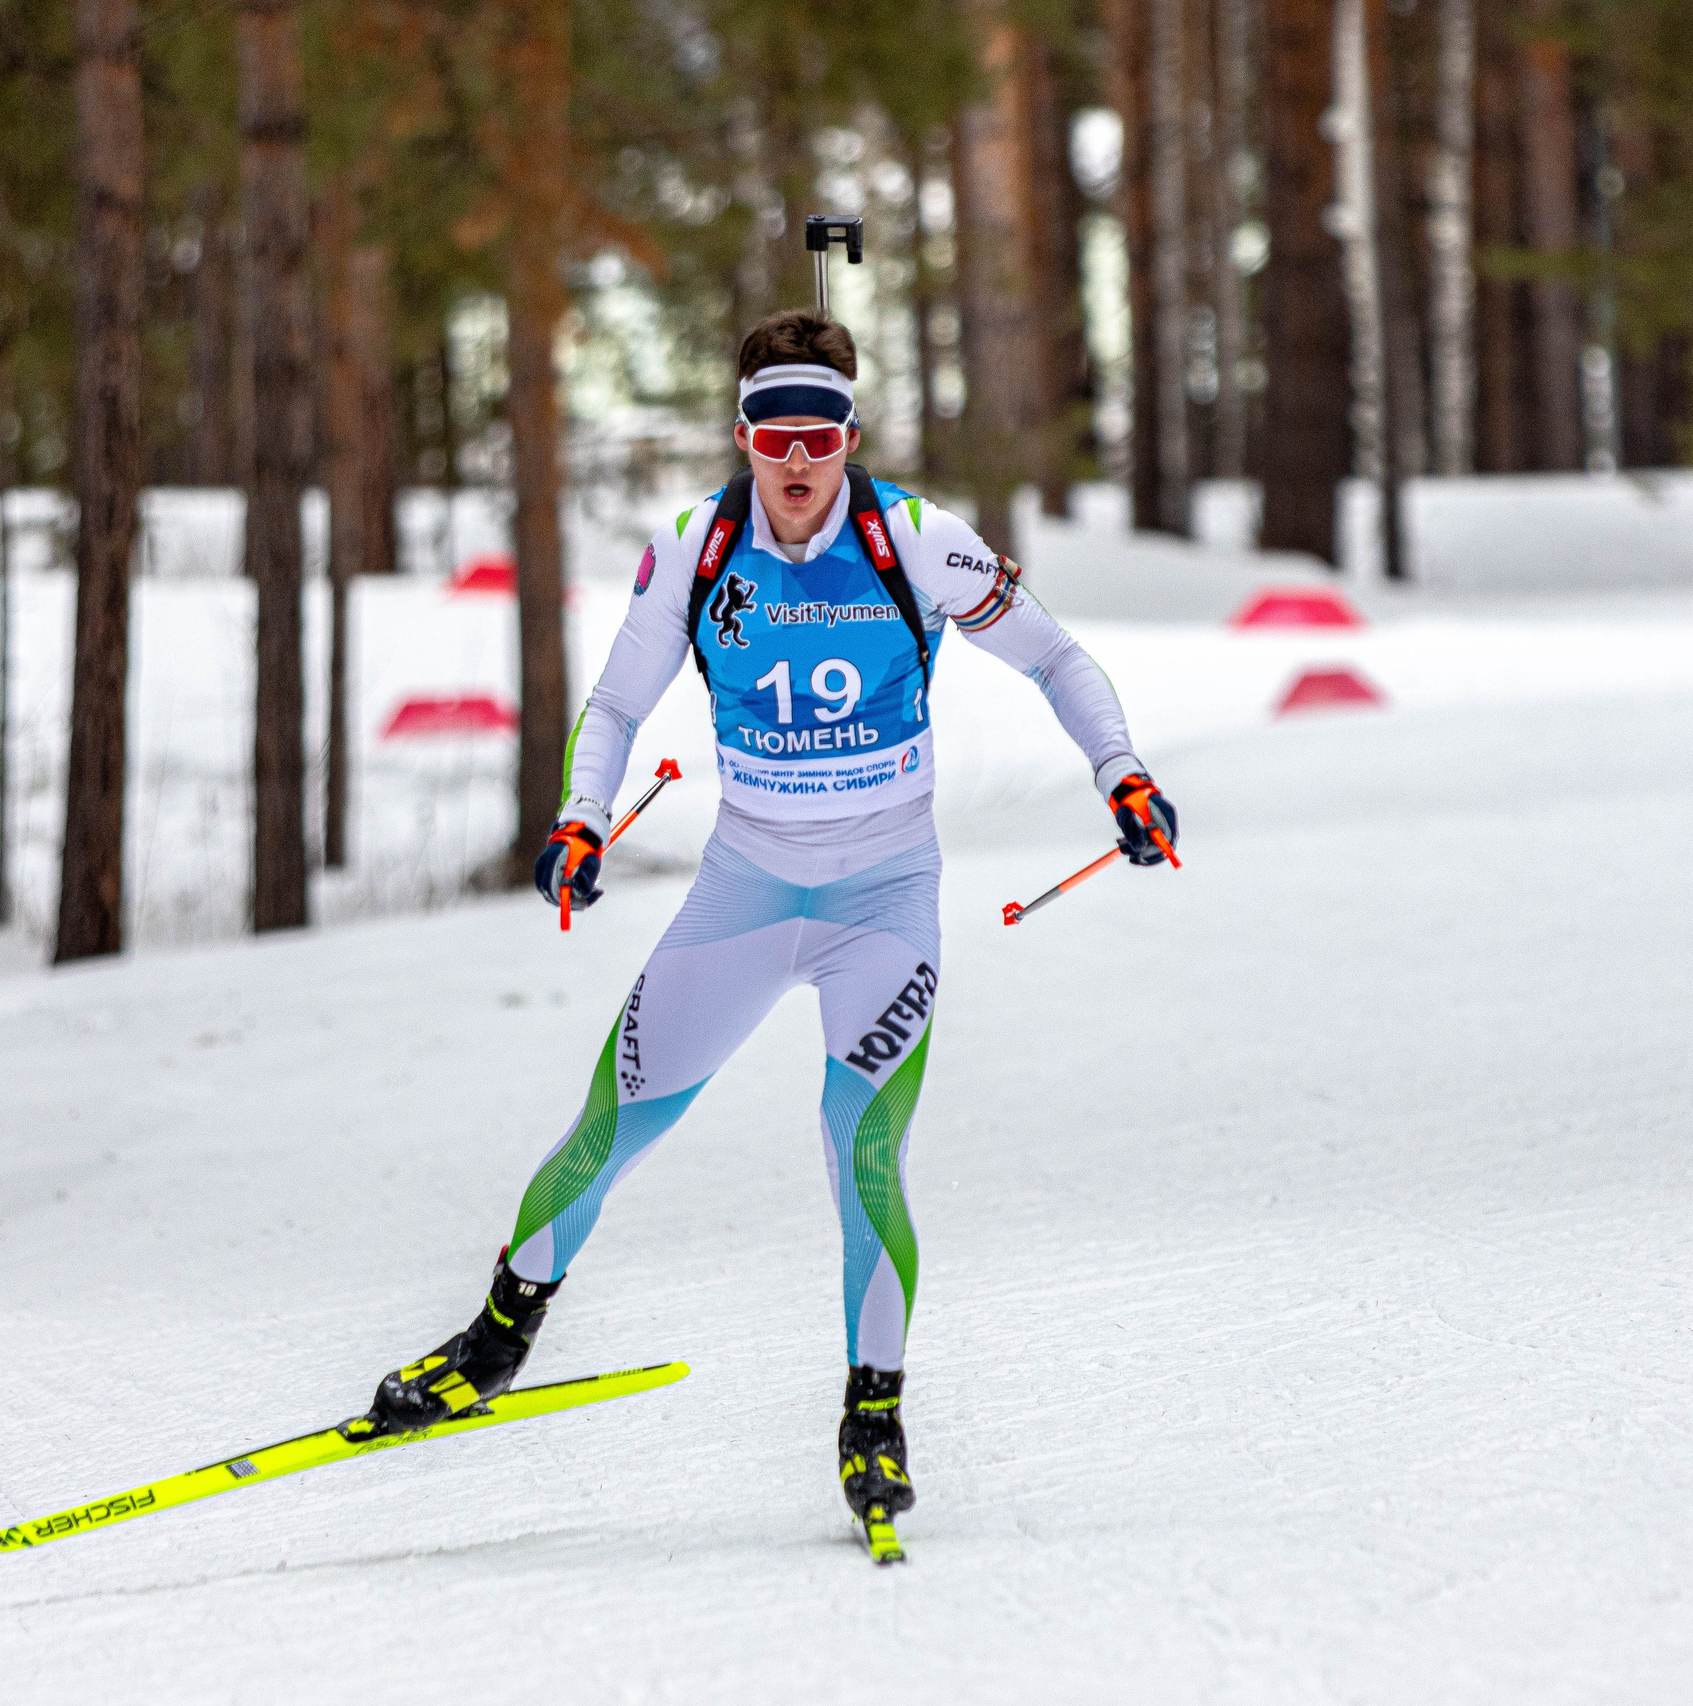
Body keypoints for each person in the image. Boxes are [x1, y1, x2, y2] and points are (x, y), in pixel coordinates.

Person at [348, 311, 1177, 1534]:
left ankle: (874, 1416)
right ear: (741, 437)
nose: (798, 461)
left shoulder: (916, 541)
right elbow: (619, 699)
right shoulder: (697, 547)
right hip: (744, 892)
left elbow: (1056, 659)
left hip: (883, 903)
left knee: (866, 1154)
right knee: (609, 1124)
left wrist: (1120, 768)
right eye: (773, 436)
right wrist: (584, 816)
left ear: (851, 435)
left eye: (822, 434)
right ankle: (492, 1343)